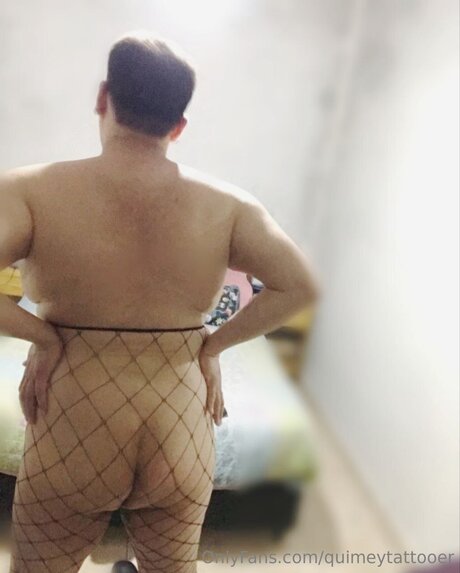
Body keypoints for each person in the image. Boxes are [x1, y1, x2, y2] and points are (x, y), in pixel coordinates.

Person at [0, 32, 320, 573]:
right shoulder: (230, 205)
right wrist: (212, 346)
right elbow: (300, 286)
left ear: (103, 98)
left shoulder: (30, 191)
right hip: (180, 419)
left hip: (76, 419)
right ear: (179, 125)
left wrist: (44, 336)